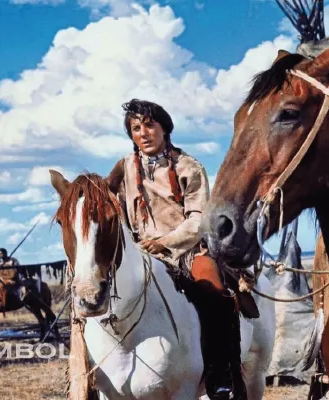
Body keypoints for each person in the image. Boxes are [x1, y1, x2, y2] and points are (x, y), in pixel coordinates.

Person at [104, 98, 245, 400]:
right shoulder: (124, 167)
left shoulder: (188, 166)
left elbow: (199, 219)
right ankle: (94, 376)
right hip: (140, 253)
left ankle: (221, 375)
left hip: (186, 251)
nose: (143, 133)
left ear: (165, 128)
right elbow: (107, 200)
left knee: (214, 294)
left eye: (149, 125)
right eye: (136, 128)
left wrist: (165, 242)